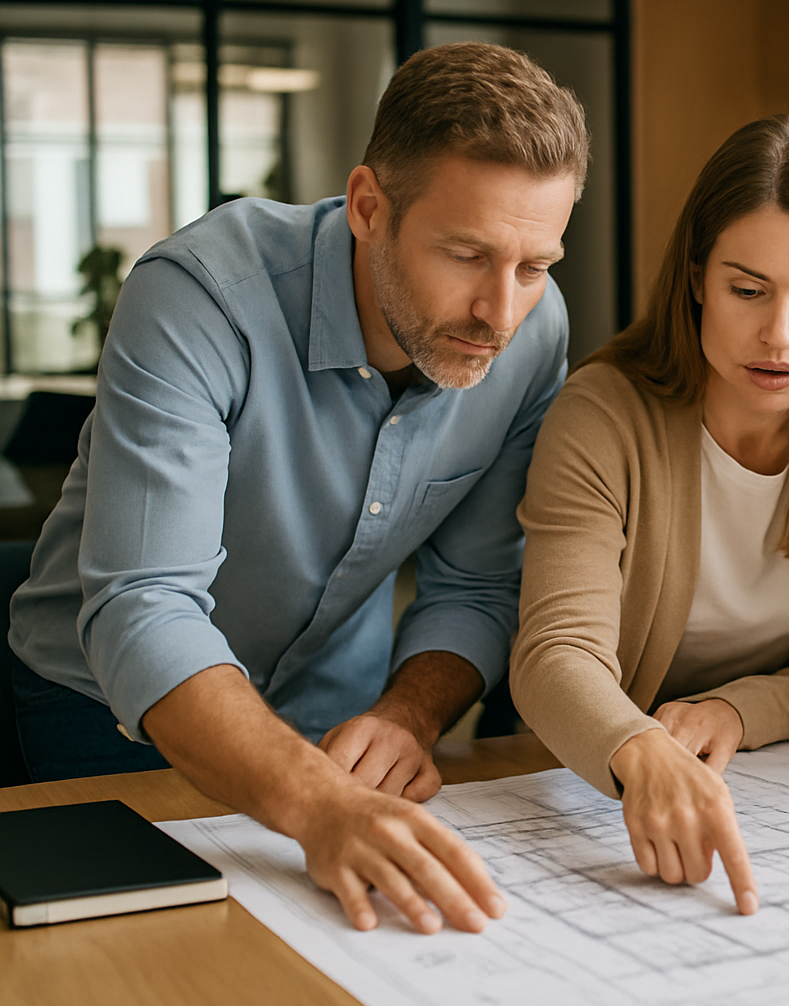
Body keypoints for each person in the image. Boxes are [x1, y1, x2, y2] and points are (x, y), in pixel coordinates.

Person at [8, 42, 589, 931]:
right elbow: (146, 604)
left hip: (337, 721)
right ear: (368, 208)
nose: (501, 313)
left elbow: (475, 585)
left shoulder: (533, 332)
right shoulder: (201, 295)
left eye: (534, 265)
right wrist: (317, 805)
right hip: (101, 713)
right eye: (466, 255)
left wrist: (407, 715)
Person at [510, 114, 789, 914]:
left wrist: (736, 713)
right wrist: (641, 748)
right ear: (695, 276)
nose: (780, 336)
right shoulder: (604, 413)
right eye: (747, 289)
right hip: (599, 777)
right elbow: (554, 654)